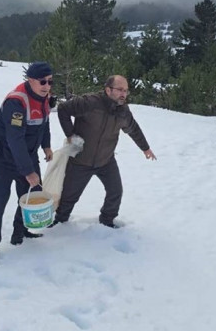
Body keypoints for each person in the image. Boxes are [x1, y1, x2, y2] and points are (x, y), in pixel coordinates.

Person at [50, 75, 156, 229]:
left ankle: (107, 221)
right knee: (69, 195)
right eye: (120, 90)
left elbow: (133, 129)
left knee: (115, 192)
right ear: (108, 90)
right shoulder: (89, 103)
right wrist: (70, 134)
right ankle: (60, 222)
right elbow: (63, 109)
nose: (123, 94)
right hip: (81, 160)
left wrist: (145, 148)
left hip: (106, 160)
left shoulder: (123, 111)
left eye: (126, 91)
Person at [0, 61, 55, 265]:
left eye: (50, 81)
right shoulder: (16, 102)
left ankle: (20, 232)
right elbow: (15, 140)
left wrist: (46, 146)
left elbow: (44, 123)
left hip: (26, 155)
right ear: (30, 80)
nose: (47, 86)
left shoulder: (44, 97)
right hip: (2, 157)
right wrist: (28, 171)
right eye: (42, 81)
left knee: (30, 195)